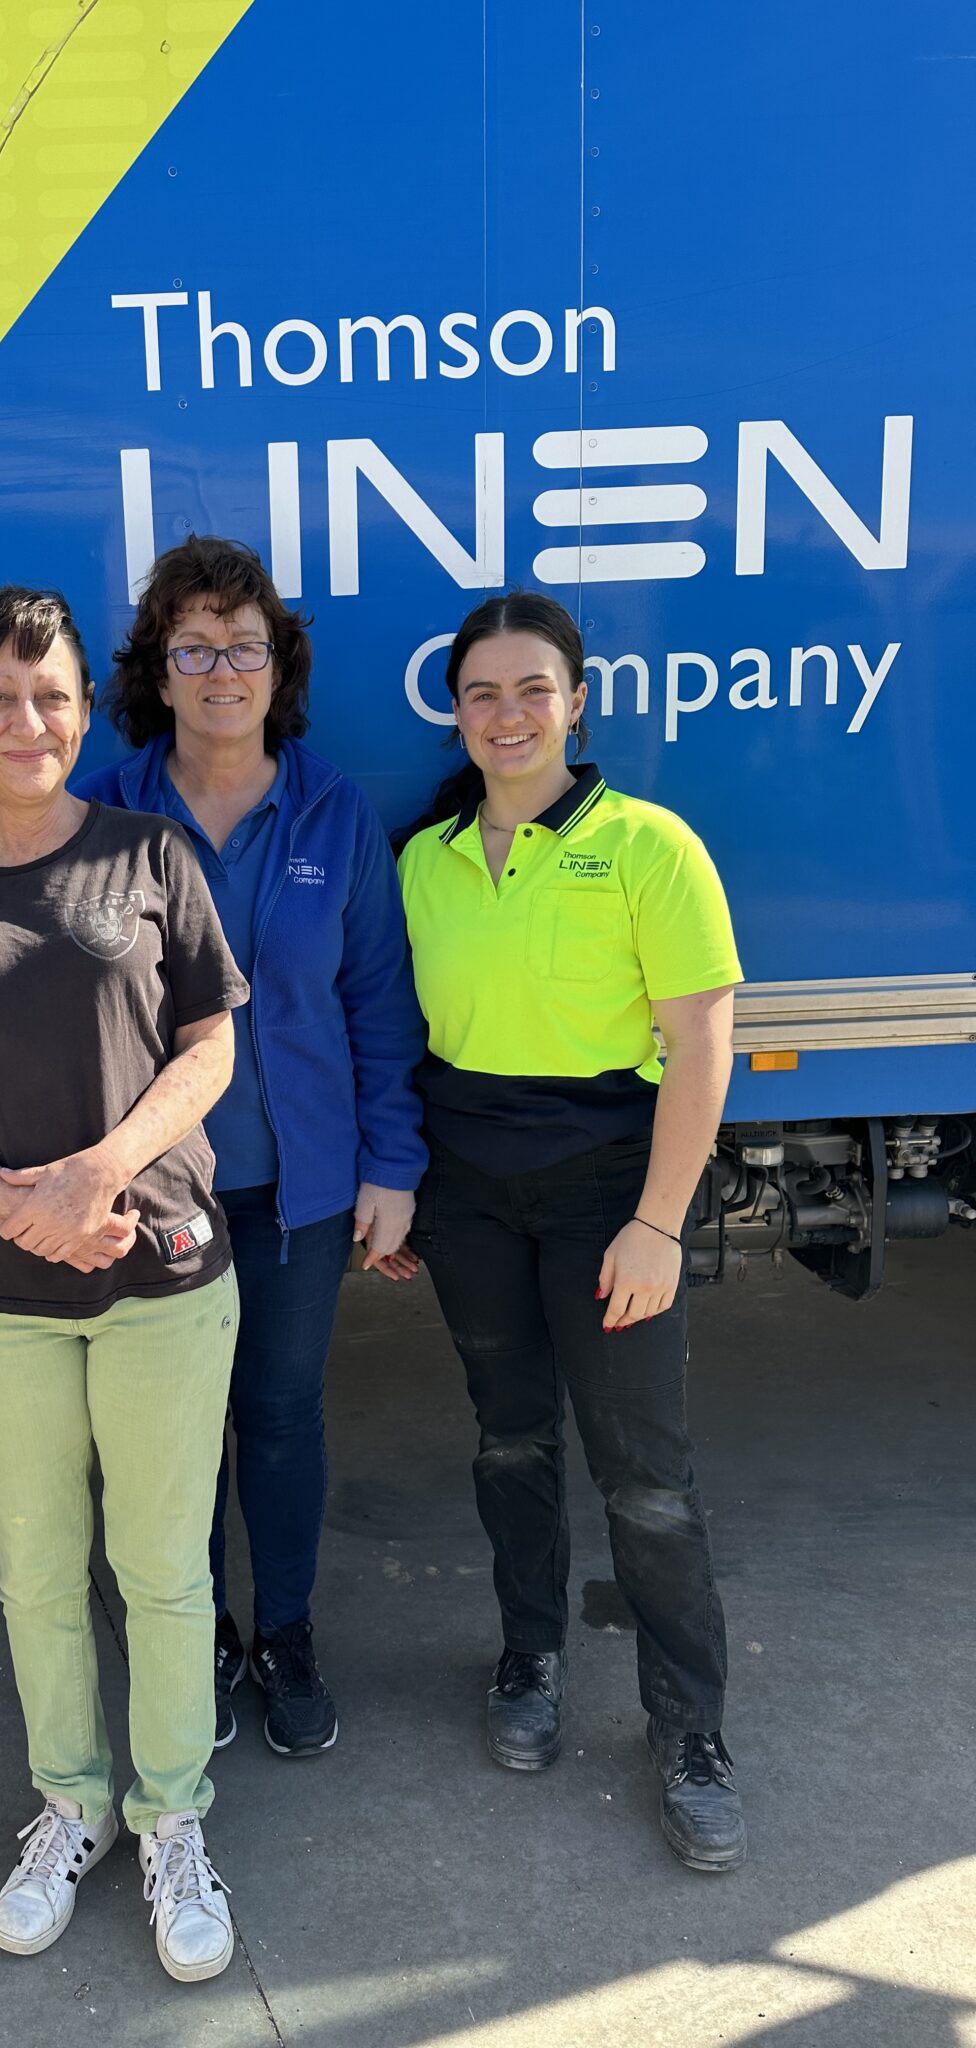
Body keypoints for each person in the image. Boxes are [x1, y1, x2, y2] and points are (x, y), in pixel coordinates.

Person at [0, 586, 248, 1983]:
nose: (26, 721)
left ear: (87, 711)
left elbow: (209, 1047)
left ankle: (172, 1819)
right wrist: (17, 1207)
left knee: (159, 1571)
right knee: (35, 1570)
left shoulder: (152, 854)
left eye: (52, 695)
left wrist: (99, 1178)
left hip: (159, 1271)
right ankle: (72, 1805)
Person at [395, 590, 746, 1873]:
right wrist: (400, 1185)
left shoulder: (650, 845)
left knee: (645, 1474)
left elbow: (702, 1043)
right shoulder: (420, 857)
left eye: (532, 688)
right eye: (481, 691)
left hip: (610, 1191)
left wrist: (661, 1221)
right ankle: (530, 1656)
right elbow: (396, 1035)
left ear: (578, 699)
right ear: (456, 708)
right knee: (509, 1438)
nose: (506, 714)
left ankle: (691, 1728)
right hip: (469, 1187)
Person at [76, 536, 426, 1757]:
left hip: (301, 1190)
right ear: (156, 672)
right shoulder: (104, 812)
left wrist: (392, 1167)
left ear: (278, 667)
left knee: (278, 1415)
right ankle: (199, 1638)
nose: (222, 668)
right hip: (154, 1191)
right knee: (169, 1434)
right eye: (194, 646)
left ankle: (285, 1633)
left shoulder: (331, 811)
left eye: (246, 645)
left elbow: (378, 1002)